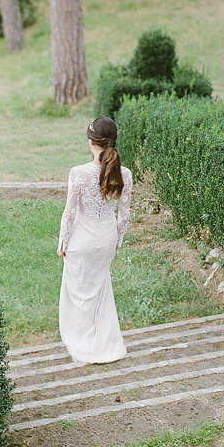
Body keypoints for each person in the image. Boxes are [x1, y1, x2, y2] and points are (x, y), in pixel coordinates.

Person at [56, 117, 133, 364]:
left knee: (78, 292)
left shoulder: (78, 173)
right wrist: (117, 240)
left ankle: (82, 343)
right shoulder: (126, 174)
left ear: (91, 142)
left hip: (82, 240)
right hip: (106, 238)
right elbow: (124, 215)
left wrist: (62, 242)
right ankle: (104, 341)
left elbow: (69, 213)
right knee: (100, 288)